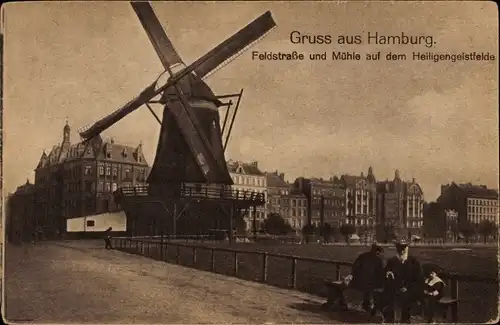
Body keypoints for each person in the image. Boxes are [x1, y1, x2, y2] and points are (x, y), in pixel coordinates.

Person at [382, 239, 424, 323]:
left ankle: (406, 319)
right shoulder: (391, 261)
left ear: (407, 249)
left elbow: (419, 279)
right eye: (400, 249)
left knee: (408, 299)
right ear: (397, 250)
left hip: (409, 289)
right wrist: (388, 273)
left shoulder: (414, 262)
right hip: (394, 288)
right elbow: (385, 274)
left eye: (404, 249)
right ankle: (390, 319)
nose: (402, 251)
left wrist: (407, 288)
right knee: (389, 297)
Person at [334, 243, 385, 312]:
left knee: (344, 285)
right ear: (378, 251)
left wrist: (354, 276)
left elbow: (355, 268)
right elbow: (380, 274)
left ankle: (342, 301)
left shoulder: (362, 256)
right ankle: (368, 305)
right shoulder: (378, 260)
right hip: (369, 284)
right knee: (372, 288)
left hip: (358, 282)